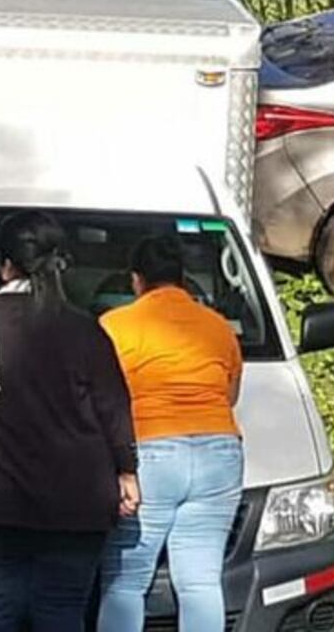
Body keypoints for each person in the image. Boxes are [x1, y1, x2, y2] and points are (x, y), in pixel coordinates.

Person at [0, 210, 139, 632]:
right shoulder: (85, 329)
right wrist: (127, 469)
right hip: (76, 499)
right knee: (61, 611)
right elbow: (112, 406)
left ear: (4, 264)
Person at [97, 235, 244, 632]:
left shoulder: (115, 326)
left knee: (127, 583)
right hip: (219, 451)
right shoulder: (218, 327)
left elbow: (102, 401)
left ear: (136, 281)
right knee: (200, 581)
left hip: (150, 454)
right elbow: (229, 396)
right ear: (183, 280)